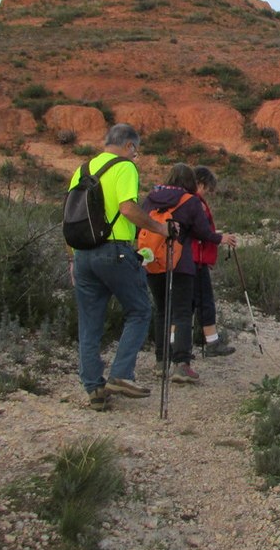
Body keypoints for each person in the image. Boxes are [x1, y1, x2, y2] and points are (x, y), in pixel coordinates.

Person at [68, 123, 170, 410]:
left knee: (89, 324)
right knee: (140, 310)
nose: (135, 155)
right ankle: (121, 375)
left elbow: (71, 218)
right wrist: (159, 228)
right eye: (135, 150)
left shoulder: (82, 170)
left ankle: (94, 389)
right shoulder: (124, 167)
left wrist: (72, 258)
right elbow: (127, 208)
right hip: (114, 250)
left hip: (83, 254)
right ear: (129, 146)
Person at [142, 163, 237, 384]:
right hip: (180, 263)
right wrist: (220, 238)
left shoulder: (152, 197)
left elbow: (140, 225)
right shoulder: (190, 201)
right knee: (182, 312)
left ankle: (160, 361)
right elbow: (202, 232)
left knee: (161, 311)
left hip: (153, 260)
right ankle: (181, 365)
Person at [191, 166, 236, 357]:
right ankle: (211, 343)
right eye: (207, 188)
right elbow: (199, 231)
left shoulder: (182, 200)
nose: (207, 193)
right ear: (200, 183)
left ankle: (178, 347)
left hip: (186, 258)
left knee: (187, 304)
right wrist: (220, 238)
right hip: (195, 259)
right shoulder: (194, 202)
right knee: (205, 301)